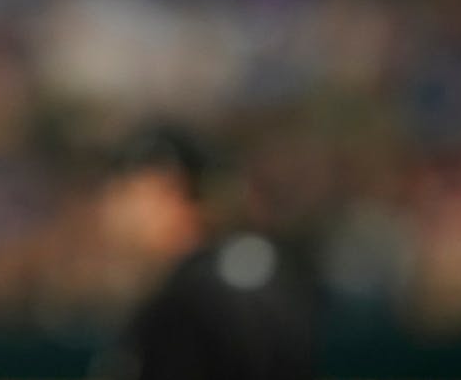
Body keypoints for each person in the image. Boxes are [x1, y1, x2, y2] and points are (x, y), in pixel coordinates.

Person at [91, 124, 318, 380]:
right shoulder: (261, 268)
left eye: (128, 191)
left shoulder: (188, 302)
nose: (115, 209)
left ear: (171, 191)